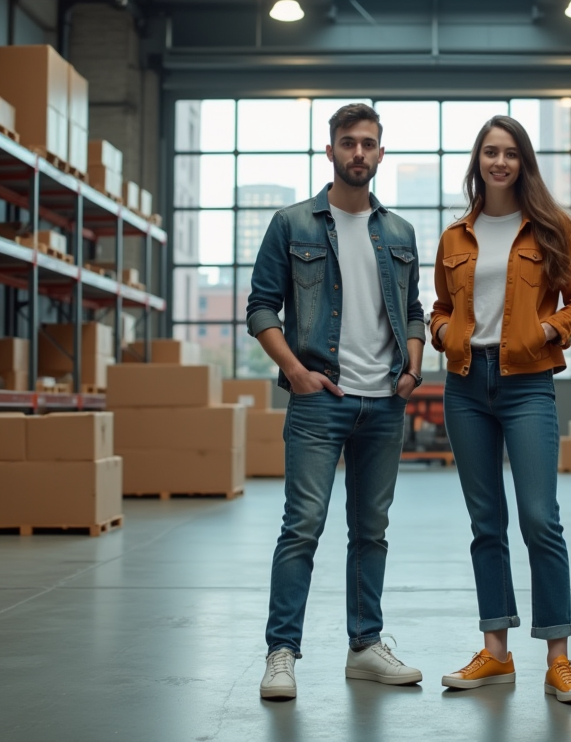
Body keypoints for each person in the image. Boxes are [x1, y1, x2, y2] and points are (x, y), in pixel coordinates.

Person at [248, 103, 427, 701]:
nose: (358, 152)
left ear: (380, 153)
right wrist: (295, 370)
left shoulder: (399, 232)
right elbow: (260, 307)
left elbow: (413, 311)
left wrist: (415, 367)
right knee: (302, 526)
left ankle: (364, 647)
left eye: (368, 143)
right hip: (319, 398)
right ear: (330, 152)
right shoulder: (292, 223)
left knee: (370, 530)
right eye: (347, 142)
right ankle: (281, 652)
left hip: (385, 402)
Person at [430, 115, 571, 704]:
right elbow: (439, 307)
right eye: (489, 153)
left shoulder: (553, 228)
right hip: (465, 385)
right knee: (486, 523)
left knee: (539, 518)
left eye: (510, 153)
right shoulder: (455, 236)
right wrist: (445, 331)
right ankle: (496, 652)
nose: (499, 162)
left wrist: (551, 328)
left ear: (524, 162)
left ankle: (559, 658)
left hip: (528, 383)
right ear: (477, 162)